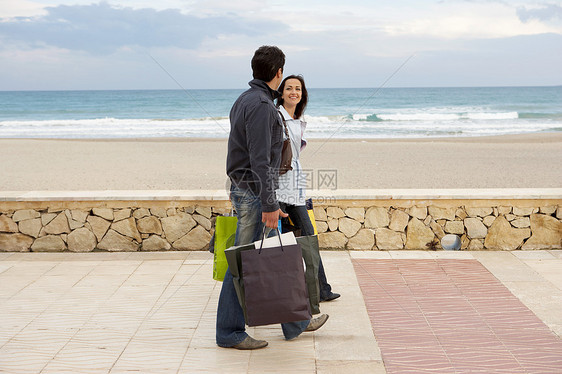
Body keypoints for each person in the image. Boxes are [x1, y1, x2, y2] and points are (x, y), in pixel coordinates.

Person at [216, 46, 329, 350]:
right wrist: (269, 204)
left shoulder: (245, 100)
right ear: (278, 73)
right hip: (255, 193)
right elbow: (260, 160)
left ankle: (295, 321)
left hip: (250, 189)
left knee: (278, 254)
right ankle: (229, 331)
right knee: (243, 261)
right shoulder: (262, 106)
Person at [275, 75, 341, 302]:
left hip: (295, 190)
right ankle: (279, 292)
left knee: (309, 237)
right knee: (280, 243)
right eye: (289, 88)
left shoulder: (296, 118)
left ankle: (321, 289)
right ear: (281, 92)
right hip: (279, 190)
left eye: (298, 89)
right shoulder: (277, 117)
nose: (294, 92)